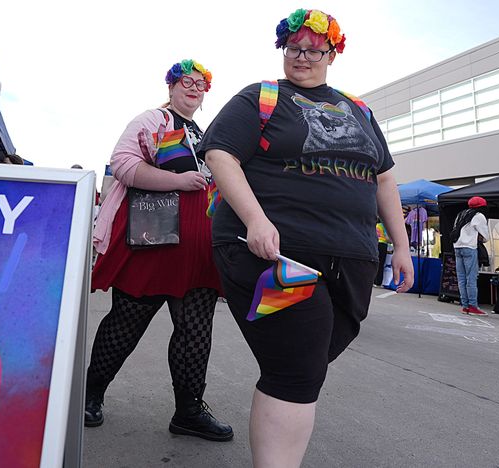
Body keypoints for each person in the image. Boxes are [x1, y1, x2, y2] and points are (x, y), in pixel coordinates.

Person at [200, 9, 413, 466]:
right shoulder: (260, 98)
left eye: (313, 50)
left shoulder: (359, 109)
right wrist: (257, 220)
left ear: (331, 53)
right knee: (296, 370)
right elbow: (219, 155)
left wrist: (401, 245)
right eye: (293, 48)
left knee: (302, 365)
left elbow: (385, 180)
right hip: (275, 254)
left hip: (352, 260)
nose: (302, 57)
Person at [86, 59, 233, 442]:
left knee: (195, 330)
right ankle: (90, 396)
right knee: (126, 322)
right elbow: (122, 163)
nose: (195, 88)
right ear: (170, 87)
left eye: (202, 85)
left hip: (198, 250)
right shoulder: (153, 119)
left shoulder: (204, 133)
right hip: (153, 241)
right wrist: (176, 180)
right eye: (187, 81)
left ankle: (188, 412)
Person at [451, 196, 490, 316]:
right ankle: (473, 306)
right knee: (471, 278)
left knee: (461, 279)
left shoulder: (460, 214)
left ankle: (465, 306)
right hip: (469, 248)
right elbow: (486, 236)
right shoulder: (478, 216)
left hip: (457, 247)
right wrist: (481, 238)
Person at [374, 220, 390, 286]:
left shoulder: (376, 225)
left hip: (375, 244)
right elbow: (387, 238)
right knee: (381, 264)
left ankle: (374, 281)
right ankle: (378, 282)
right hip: (383, 245)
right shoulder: (384, 226)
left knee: (375, 263)